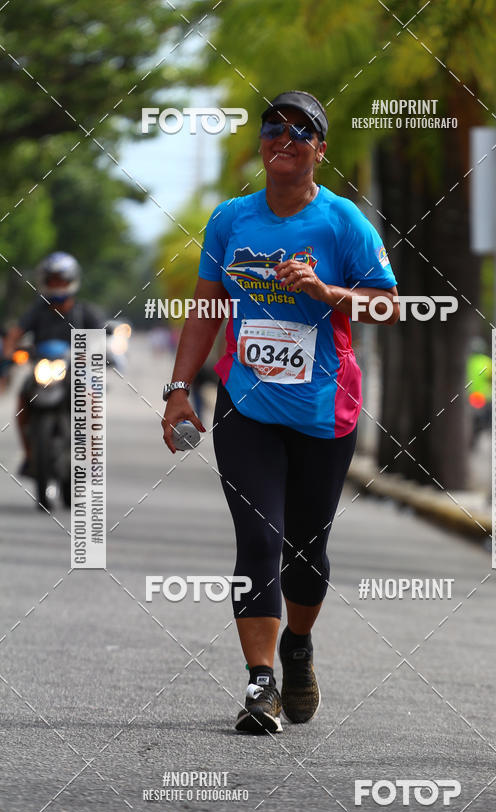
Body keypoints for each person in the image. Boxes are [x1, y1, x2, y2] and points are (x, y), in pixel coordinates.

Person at [162, 90, 399, 734]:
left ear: (321, 151)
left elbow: (389, 306)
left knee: (305, 550)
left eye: (301, 131)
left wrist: (326, 291)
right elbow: (207, 309)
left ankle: (297, 645)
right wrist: (178, 389)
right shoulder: (231, 220)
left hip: (325, 410)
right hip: (248, 404)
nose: (284, 138)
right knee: (258, 539)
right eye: (274, 126)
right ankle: (260, 681)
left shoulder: (344, 223)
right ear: (262, 142)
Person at [3, 251, 102, 475]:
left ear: (71, 281)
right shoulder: (36, 310)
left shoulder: (85, 312)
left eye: (61, 280)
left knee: (91, 399)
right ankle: (30, 456)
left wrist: (96, 355)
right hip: (42, 369)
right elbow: (15, 334)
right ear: (44, 281)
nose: (57, 285)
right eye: (52, 280)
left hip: (75, 371)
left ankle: (91, 456)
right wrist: (10, 352)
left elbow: (100, 341)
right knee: (21, 401)